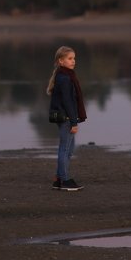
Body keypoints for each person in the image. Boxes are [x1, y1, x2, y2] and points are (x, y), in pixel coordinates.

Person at [46, 45, 87, 191]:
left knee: (68, 150)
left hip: (66, 117)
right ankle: (64, 180)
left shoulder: (65, 76)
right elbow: (68, 102)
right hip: (66, 118)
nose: (73, 61)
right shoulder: (65, 78)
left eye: (74, 58)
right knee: (65, 149)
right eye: (70, 58)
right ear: (61, 61)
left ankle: (59, 179)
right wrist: (74, 122)